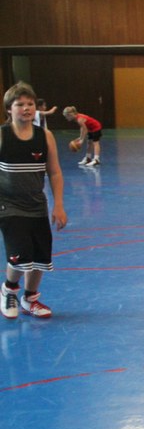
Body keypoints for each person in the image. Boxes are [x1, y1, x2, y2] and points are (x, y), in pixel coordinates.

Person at [0, 82, 67, 319]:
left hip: (37, 204)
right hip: (8, 205)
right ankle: (8, 290)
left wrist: (59, 205)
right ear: (9, 109)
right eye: (20, 104)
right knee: (20, 255)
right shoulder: (3, 136)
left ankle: (29, 299)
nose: (26, 108)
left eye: (30, 104)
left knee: (40, 259)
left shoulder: (44, 136)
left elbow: (55, 172)